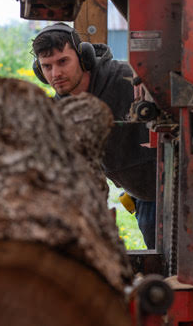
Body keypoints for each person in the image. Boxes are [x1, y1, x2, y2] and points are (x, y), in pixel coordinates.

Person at [31, 22, 158, 249]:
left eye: (63, 62)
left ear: (84, 58)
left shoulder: (128, 79)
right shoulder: (62, 109)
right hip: (142, 196)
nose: (56, 74)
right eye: (47, 66)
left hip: (178, 190)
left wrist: (151, 82)